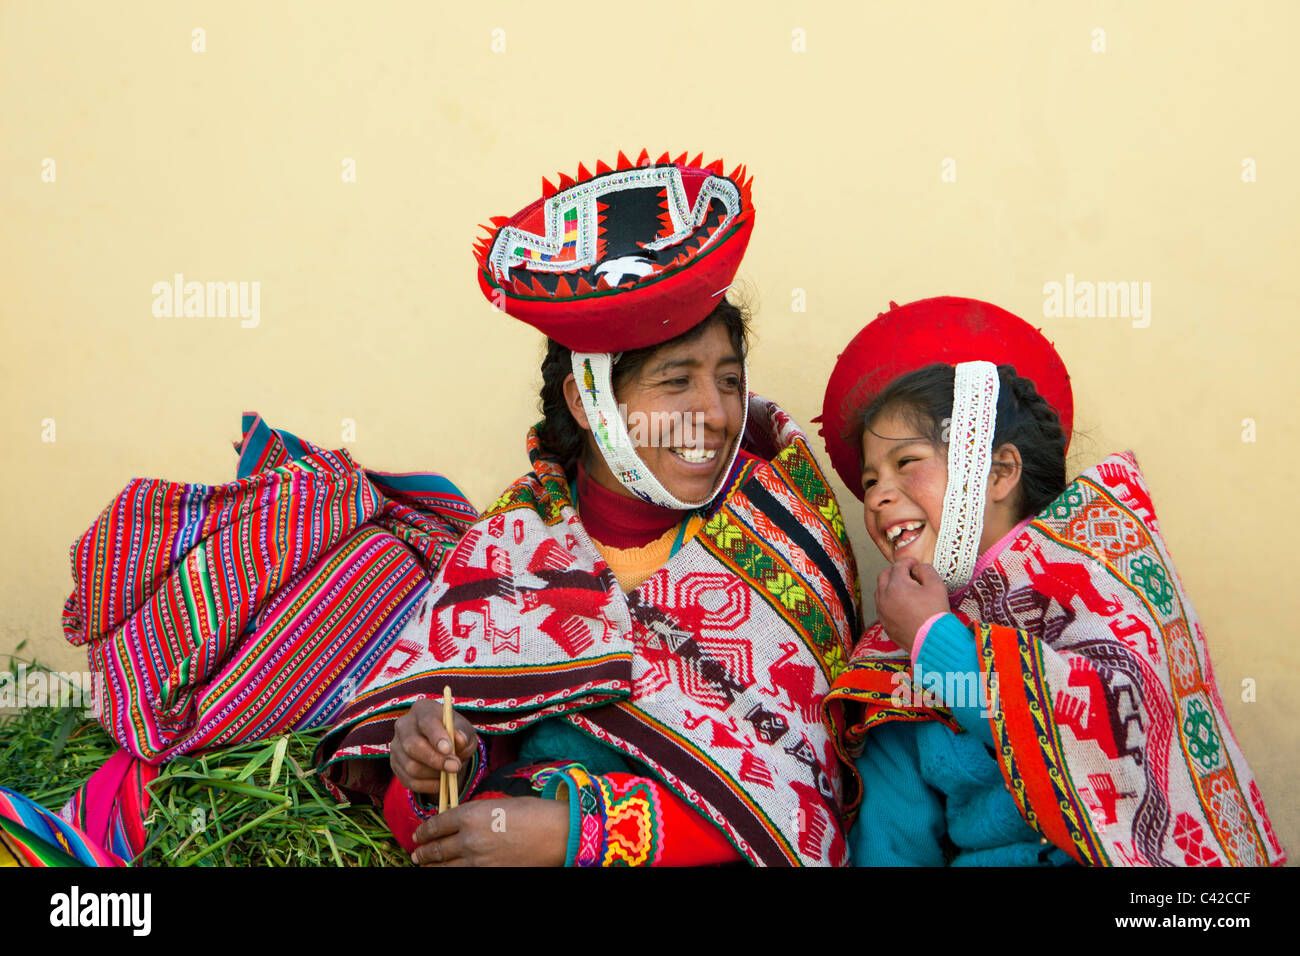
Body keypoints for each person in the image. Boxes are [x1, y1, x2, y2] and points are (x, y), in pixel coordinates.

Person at [317, 151, 861, 866]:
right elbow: (424, 819)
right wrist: (434, 764)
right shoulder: (507, 547)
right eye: (676, 382)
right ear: (589, 402)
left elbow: (798, 810)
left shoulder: (784, 533)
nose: (716, 412)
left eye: (729, 380)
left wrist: (577, 835)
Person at [817, 296, 1286, 866]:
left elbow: (1115, 729)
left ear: (998, 471)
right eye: (869, 481)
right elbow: (894, 844)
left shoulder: (1102, 577)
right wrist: (916, 638)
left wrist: (934, 639)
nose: (878, 495)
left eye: (907, 462)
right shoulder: (891, 657)